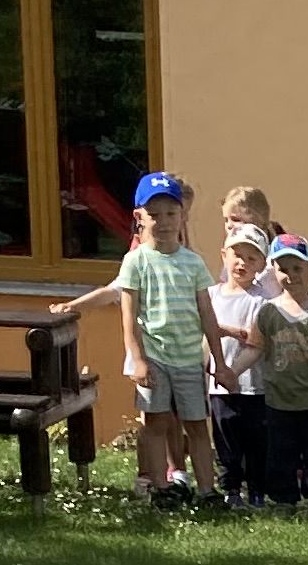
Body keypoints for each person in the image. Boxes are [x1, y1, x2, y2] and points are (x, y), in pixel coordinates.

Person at [62, 174, 220, 504]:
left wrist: (220, 361)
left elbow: (207, 313)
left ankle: (207, 491)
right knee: (156, 423)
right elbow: (128, 314)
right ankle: (161, 488)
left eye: (171, 213)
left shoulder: (193, 263)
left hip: (189, 358)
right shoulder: (136, 260)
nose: (164, 222)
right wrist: (137, 358)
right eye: (155, 214)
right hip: (153, 357)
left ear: (182, 216)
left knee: (196, 425)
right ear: (139, 217)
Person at [253, 238, 308, 509]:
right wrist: (229, 372)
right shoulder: (268, 312)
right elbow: (255, 349)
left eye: (297, 268)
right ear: (274, 271)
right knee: (280, 452)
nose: (291, 276)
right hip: (278, 400)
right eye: (283, 269)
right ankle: (283, 499)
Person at [206, 210, 277, 509]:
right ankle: (231, 489)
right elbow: (203, 332)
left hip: (254, 386)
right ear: (224, 256)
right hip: (218, 387)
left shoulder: (262, 301)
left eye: (251, 258)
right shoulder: (211, 296)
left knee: (257, 442)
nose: (242, 263)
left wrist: (232, 367)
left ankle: (257, 491)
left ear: (262, 264)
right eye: (237, 255)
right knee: (226, 441)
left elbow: (256, 341)